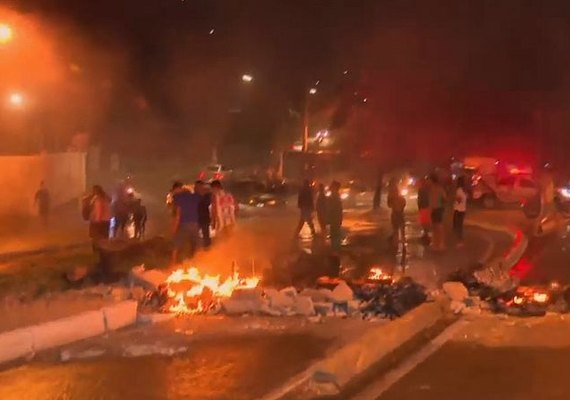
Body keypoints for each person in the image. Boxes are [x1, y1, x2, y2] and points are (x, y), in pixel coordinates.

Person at [171, 181, 200, 264]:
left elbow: (178, 214)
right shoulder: (194, 196)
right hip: (195, 224)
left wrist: (174, 227)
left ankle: (173, 263)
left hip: (184, 223)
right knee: (196, 245)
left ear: (177, 189)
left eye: (174, 190)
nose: (173, 192)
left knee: (176, 244)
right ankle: (197, 262)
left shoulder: (177, 197)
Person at [89, 185, 111, 249]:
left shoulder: (98, 199)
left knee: (97, 237)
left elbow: (99, 210)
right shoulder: (106, 198)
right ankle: (105, 250)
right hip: (106, 220)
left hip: (99, 221)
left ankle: (97, 250)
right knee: (104, 237)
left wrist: (97, 220)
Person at [429, 173, 447, 251]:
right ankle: (435, 244)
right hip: (433, 209)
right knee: (435, 227)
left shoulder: (439, 189)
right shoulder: (431, 189)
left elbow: (444, 198)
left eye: (429, 180)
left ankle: (440, 244)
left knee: (438, 227)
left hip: (438, 209)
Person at [387, 178, 406, 247]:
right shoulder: (400, 197)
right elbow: (403, 204)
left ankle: (396, 244)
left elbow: (389, 205)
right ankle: (402, 243)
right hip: (399, 213)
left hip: (395, 213)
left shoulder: (391, 196)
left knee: (396, 229)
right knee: (401, 229)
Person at [195, 180, 212, 248]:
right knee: (195, 236)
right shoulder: (194, 196)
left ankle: (207, 248)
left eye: (198, 187)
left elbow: (208, 204)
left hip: (204, 218)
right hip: (196, 218)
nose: (196, 188)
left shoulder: (207, 196)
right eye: (196, 187)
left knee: (206, 235)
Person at [327, 181, 343, 252]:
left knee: (335, 233)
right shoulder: (335, 195)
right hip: (335, 217)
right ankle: (335, 248)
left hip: (335, 217)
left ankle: (335, 249)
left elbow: (334, 208)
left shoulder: (334, 196)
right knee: (335, 232)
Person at [453, 176, 468, 246]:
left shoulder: (459, 190)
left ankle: (459, 241)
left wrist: (455, 198)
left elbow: (459, 200)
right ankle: (460, 240)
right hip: (463, 209)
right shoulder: (464, 190)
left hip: (458, 210)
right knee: (460, 226)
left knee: (458, 226)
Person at [417, 176, 431, 245]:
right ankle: (426, 233)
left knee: (424, 221)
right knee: (426, 221)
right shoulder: (427, 189)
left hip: (423, 207)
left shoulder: (422, 190)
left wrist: (419, 207)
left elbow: (419, 200)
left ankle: (426, 234)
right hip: (426, 207)